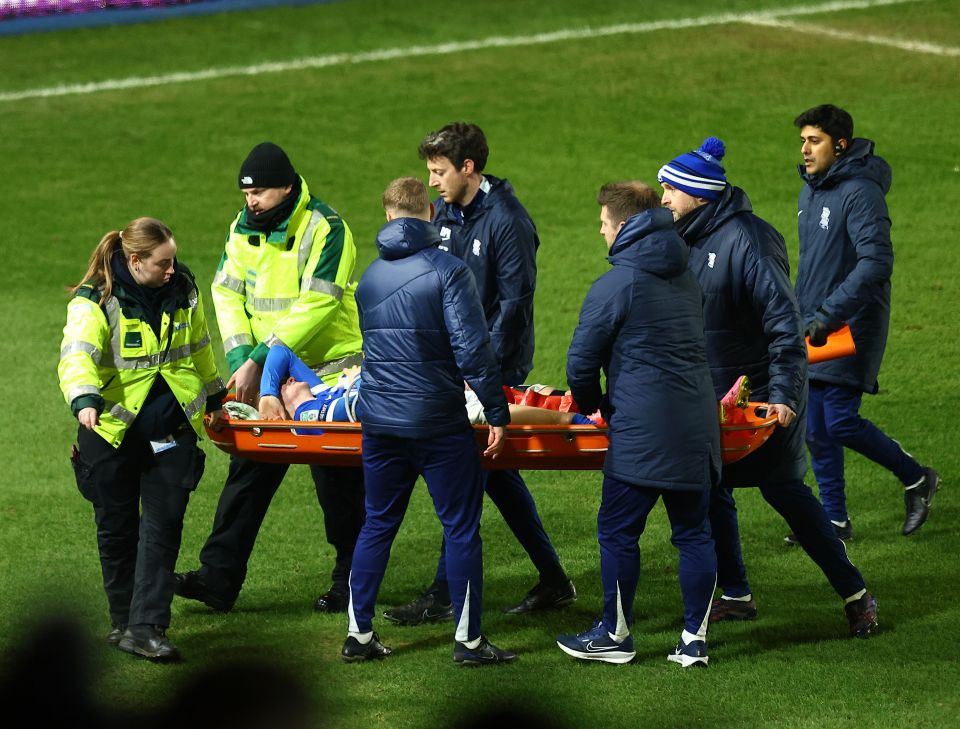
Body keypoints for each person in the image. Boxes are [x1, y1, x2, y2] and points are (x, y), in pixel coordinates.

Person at [658, 138, 878, 638]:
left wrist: (780, 396)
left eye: (672, 187)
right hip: (706, 399)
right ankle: (736, 594)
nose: (664, 195)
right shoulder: (683, 237)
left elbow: (785, 327)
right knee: (710, 492)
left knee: (788, 496)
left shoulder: (748, 241)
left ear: (701, 194)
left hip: (760, 399)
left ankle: (856, 593)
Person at [384, 122, 575, 625]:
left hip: (493, 366)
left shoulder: (507, 221)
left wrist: (478, 370)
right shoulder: (447, 212)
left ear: (468, 167)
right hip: (455, 364)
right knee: (496, 474)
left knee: (468, 473)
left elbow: (514, 304)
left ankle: (445, 593)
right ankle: (554, 579)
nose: (432, 183)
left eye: (439, 171)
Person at [174, 142, 365, 614]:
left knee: (338, 482)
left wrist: (262, 356)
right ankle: (218, 578)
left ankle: (352, 580)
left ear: (286, 187)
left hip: (326, 374)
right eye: (246, 194)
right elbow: (225, 290)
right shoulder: (242, 228)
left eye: (259, 192)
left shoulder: (326, 228)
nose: (251, 202)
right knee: (248, 473)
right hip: (266, 376)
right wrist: (242, 353)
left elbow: (319, 303)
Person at [341, 176, 515, 665]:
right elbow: (472, 350)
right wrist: (496, 411)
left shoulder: (371, 277)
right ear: (430, 214)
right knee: (460, 529)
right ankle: (469, 642)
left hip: (379, 423)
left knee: (377, 523)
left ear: (388, 217)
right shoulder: (449, 271)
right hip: (438, 423)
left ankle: (358, 636)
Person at [557, 182, 720, 667]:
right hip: (697, 425)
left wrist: (596, 406)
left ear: (624, 226)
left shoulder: (618, 282)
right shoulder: (687, 275)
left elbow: (581, 364)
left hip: (642, 431)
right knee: (694, 533)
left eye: (605, 224)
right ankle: (694, 641)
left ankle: (617, 634)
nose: (601, 232)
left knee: (617, 530)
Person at [57, 217, 226, 661]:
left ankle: (146, 626)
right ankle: (122, 621)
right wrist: (84, 398)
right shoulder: (95, 300)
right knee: (116, 529)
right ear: (135, 261)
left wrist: (215, 397)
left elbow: (200, 348)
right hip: (110, 433)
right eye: (163, 262)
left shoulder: (184, 289)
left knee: (162, 526)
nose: (172, 268)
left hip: (167, 435)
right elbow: (77, 356)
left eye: (172, 259)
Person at [793, 104, 939, 538]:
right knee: (815, 425)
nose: (804, 149)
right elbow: (816, 266)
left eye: (813, 140)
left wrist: (829, 313)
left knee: (836, 419)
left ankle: (916, 478)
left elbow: (876, 263)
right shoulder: (812, 190)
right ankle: (835, 519)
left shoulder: (860, 192)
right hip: (817, 321)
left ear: (840, 144)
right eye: (802, 140)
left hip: (851, 323)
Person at [256, 343, 600, 429]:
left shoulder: (317, 393)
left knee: (522, 392)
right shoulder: (311, 414)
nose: (290, 379)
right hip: (423, 400)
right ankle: (580, 423)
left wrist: (271, 394)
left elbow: (280, 352)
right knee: (489, 411)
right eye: (286, 387)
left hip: (424, 383)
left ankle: (590, 409)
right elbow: (373, 402)